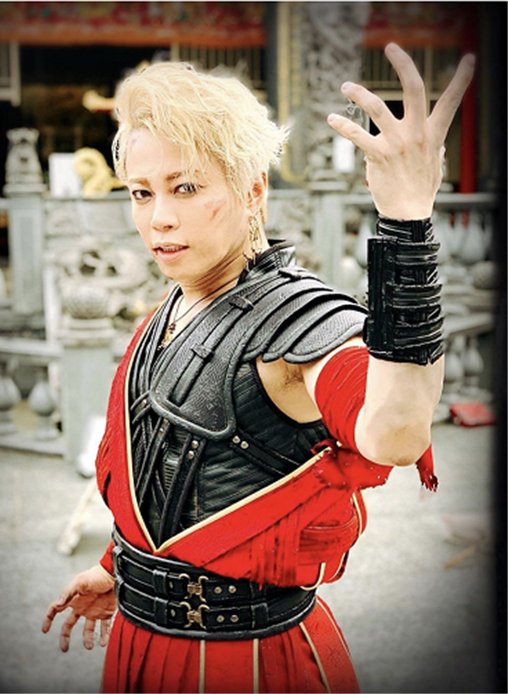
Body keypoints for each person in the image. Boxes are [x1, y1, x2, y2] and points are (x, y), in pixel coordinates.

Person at [42, 43, 474, 693]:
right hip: (138, 637)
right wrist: (123, 568)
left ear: (252, 191)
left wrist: (406, 221)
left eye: (186, 187)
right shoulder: (169, 310)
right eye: (141, 192)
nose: (159, 217)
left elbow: (395, 434)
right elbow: (177, 468)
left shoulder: (295, 323)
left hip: (249, 662)